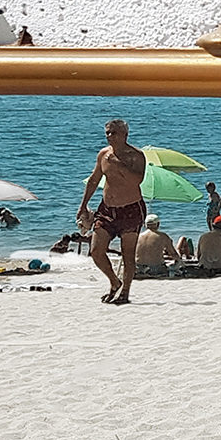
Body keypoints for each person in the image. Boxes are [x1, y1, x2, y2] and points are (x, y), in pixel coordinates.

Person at [77, 116, 148, 303]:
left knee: (128, 254)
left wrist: (118, 164)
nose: (109, 136)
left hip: (131, 209)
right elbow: (94, 180)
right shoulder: (103, 154)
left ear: (125, 134)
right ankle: (114, 282)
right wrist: (83, 205)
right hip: (107, 209)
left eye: (113, 133)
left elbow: (137, 180)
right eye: (107, 133)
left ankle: (125, 292)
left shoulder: (136, 155)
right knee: (96, 251)